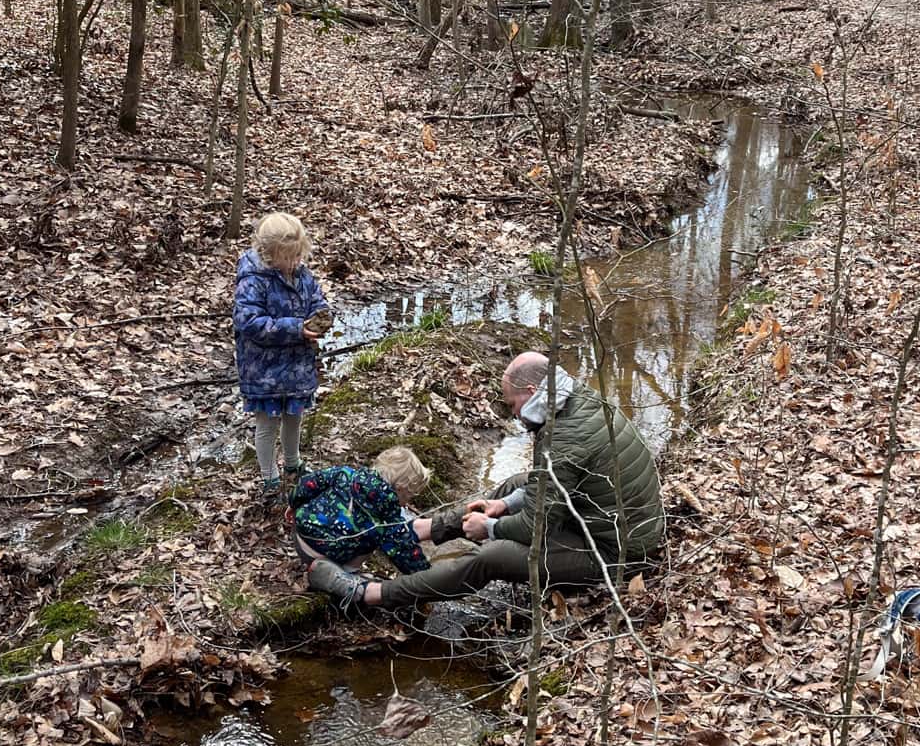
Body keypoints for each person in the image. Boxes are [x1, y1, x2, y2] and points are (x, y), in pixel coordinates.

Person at [306, 351, 664, 611]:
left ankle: (367, 593)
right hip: (595, 518)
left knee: (490, 557)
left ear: (530, 390)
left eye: (512, 404)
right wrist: (503, 507)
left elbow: (534, 526)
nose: (513, 414)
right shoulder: (575, 400)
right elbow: (552, 486)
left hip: (614, 553)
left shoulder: (564, 439)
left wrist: (490, 528)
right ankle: (418, 530)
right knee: (510, 489)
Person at [233, 212, 329, 509]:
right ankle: (269, 477)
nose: (295, 263)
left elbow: (317, 298)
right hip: (265, 370)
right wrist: (294, 328)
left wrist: (320, 317)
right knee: (267, 424)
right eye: (289, 258)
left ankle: (292, 463)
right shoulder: (253, 280)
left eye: (299, 256)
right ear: (269, 254)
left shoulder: (302, 274)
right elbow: (248, 322)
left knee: (294, 416)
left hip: (297, 364)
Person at [289, 445, 432, 577]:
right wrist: (428, 578)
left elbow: (307, 484)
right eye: (409, 496)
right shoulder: (388, 519)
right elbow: (405, 554)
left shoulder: (345, 474)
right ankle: (349, 572)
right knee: (376, 536)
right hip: (328, 557)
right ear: (401, 489)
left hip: (300, 535)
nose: (408, 501)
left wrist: (293, 504)